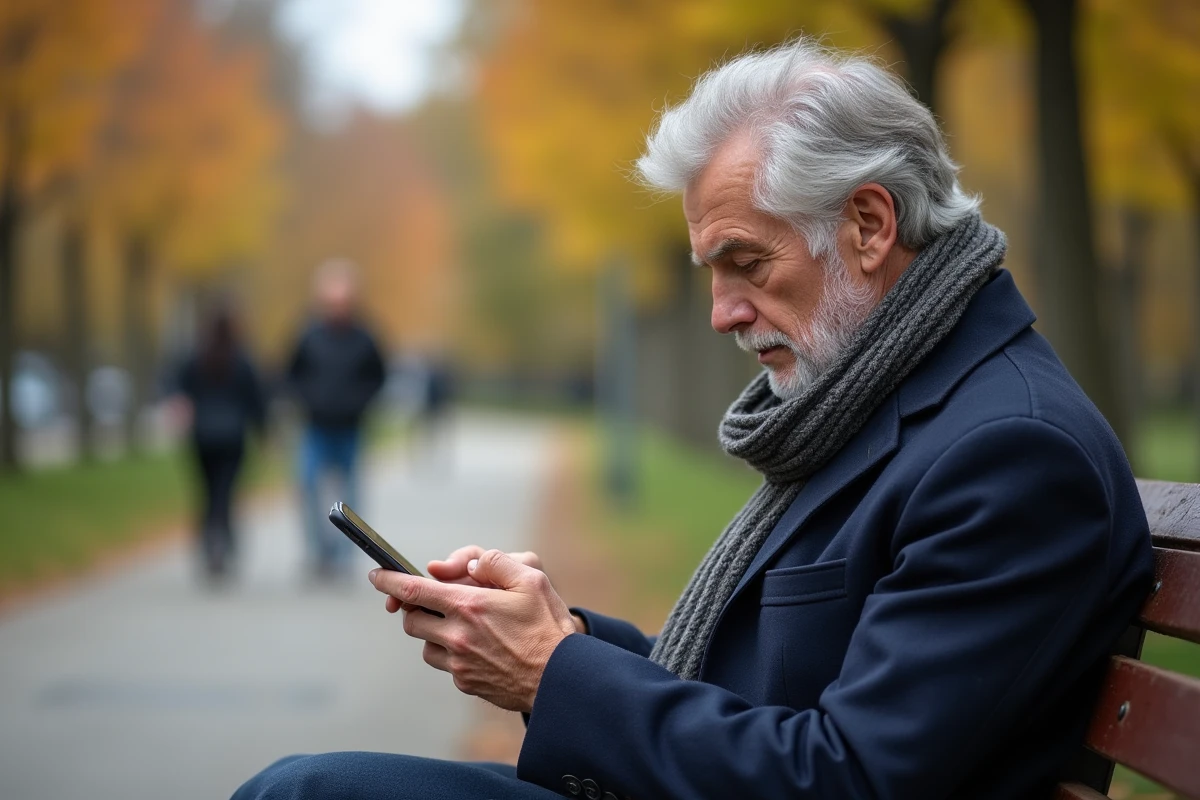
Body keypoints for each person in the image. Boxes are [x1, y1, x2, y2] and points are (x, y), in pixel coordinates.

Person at [234, 39, 1154, 799]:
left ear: (870, 226)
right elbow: (760, 694)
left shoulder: (1013, 452)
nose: (722, 312)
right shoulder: (886, 400)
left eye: (746, 262)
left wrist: (556, 673)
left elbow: (852, 781)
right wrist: (565, 641)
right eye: (710, 273)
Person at [286, 259, 387, 578]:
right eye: (332, 301)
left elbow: (379, 376)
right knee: (307, 486)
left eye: (343, 301)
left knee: (350, 496)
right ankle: (320, 554)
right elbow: (290, 373)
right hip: (315, 427)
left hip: (350, 428)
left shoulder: (366, 336)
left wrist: (359, 402)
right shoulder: (307, 334)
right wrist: (306, 399)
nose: (337, 307)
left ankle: (345, 557)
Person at [172, 305, 266, 580]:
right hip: (233, 437)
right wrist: (263, 433)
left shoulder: (197, 358)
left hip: (202, 436)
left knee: (206, 492)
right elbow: (256, 400)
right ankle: (223, 542)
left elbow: (180, 389)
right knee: (226, 493)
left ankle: (209, 543)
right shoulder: (241, 360)